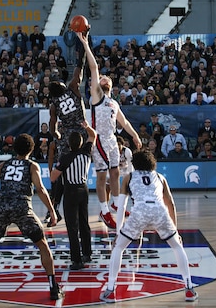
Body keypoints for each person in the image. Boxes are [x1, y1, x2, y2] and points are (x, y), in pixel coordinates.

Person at [0, 134, 64, 301]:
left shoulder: (4, 164)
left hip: (2, 207)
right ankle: (53, 287)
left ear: (14, 148)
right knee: (43, 245)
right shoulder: (32, 165)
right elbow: (40, 189)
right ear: (32, 149)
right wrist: (52, 211)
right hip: (22, 207)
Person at [100, 150, 198, 303]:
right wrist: (175, 230)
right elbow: (170, 204)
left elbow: (121, 205)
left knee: (118, 248)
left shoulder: (129, 177)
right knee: (177, 246)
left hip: (140, 212)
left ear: (135, 163)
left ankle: (111, 290)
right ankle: (189, 288)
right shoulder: (160, 177)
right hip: (160, 212)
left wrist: (119, 231)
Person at [77, 30, 142, 229]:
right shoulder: (97, 97)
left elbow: (125, 123)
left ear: (111, 85)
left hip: (113, 140)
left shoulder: (113, 103)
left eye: (106, 77)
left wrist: (135, 135)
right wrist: (85, 44)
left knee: (115, 173)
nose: (102, 77)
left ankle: (115, 202)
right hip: (98, 139)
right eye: (101, 77)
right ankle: (104, 211)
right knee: (102, 175)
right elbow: (94, 67)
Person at [50, 121, 96, 270]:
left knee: (72, 227)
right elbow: (93, 135)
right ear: (81, 142)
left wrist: (57, 166)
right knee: (84, 222)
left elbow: (53, 178)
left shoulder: (65, 158)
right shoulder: (86, 153)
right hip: (84, 189)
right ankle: (87, 253)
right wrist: (86, 126)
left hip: (71, 191)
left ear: (69, 144)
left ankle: (77, 260)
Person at [48, 65, 88, 224]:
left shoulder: (54, 104)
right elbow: (79, 71)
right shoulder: (72, 89)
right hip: (83, 131)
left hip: (67, 136)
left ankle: (54, 207)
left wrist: (58, 135)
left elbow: (52, 127)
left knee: (61, 172)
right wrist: (84, 52)